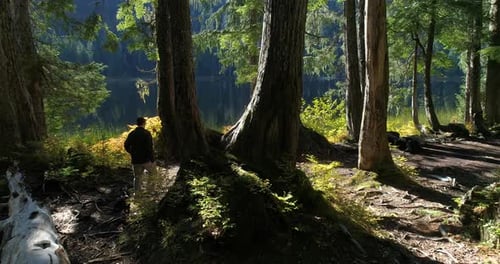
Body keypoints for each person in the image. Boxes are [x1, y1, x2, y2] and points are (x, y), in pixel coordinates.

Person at [124, 117, 157, 192]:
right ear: (144, 123)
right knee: (153, 174)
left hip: (136, 160)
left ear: (137, 123)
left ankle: (138, 195)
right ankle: (150, 191)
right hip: (146, 160)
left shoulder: (132, 133)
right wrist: (152, 159)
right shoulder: (146, 133)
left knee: (137, 178)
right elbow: (149, 147)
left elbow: (126, 145)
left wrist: (131, 152)